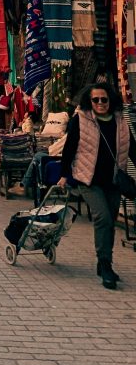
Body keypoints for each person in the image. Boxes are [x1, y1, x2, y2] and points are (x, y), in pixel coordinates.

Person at [59, 82, 136, 289]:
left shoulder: (120, 121)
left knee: (110, 221)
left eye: (104, 99)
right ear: (89, 101)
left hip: (112, 181)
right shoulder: (80, 120)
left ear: (111, 100)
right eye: (96, 100)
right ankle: (105, 265)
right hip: (88, 179)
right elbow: (69, 148)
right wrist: (65, 174)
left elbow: (132, 148)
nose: (100, 103)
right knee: (102, 217)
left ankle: (105, 263)